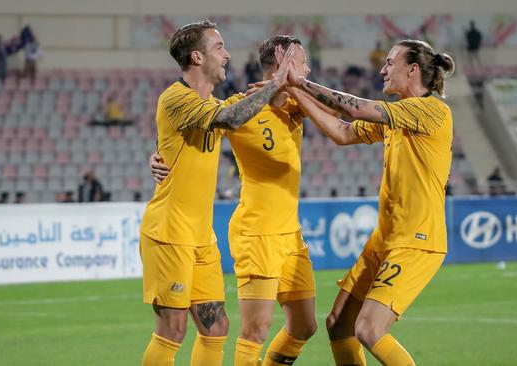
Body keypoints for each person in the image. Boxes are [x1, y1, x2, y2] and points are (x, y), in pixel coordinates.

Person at [150, 35, 318, 366]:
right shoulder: (236, 107)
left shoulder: (297, 104)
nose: (308, 69)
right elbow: (216, 122)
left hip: (270, 234)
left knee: (296, 325)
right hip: (245, 232)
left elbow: (342, 119)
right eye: (300, 62)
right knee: (196, 329)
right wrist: (158, 154)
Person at [287, 39, 454, 365]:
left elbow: (355, 108)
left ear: (412, 69)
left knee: (368, 328)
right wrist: (295, 93)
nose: (382, 69)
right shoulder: (397, 118)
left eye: (390, 63)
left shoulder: (432, 111)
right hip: (386, 240)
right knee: (338, 326)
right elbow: (342, 132)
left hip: (417, 241)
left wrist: (299, 82)